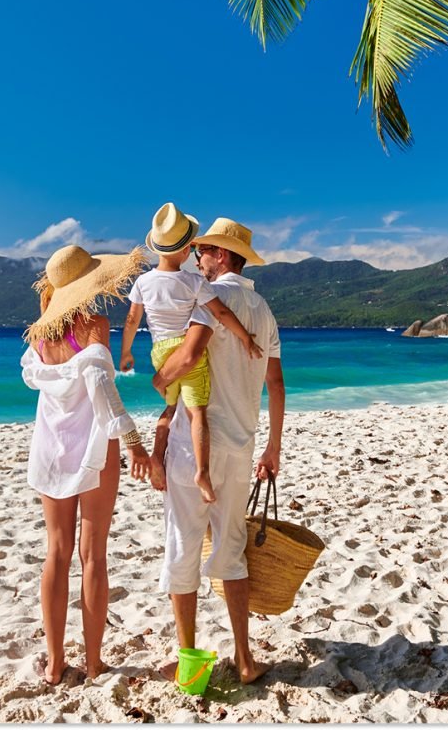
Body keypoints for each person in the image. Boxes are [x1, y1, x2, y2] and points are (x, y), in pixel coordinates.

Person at [150, 216, 284, 687]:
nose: (197, 258)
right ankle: (245, 660)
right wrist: (273, 446)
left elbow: (187, 357)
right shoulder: (263, 309)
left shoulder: (210, 298)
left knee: (184, 546)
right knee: (232, 551)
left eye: (203, 251)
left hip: (196, 448)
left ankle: (191, 669)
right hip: (242, 447)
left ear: (221, 256)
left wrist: (159, 380)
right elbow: (275, 383)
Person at [20, 244, 153, 684]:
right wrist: (132, 440)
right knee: (92, 555)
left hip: (51, 448)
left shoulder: (39, 334)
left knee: (56, 554)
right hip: (95, 450)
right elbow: (99, 382)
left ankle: (56, 663)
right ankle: (94, 663)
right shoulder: (93, 323)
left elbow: (37, 379)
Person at [120, 202, 262, 504]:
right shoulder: (194, 282)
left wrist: (126, 353)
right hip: (183, 349)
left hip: (159, 351)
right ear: (186, 251)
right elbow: (221, 313)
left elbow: (132, 320)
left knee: (170, 409)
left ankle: (158, 454)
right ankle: (201, 471)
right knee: (197, 414)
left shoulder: (143, 282)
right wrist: (245, 338)